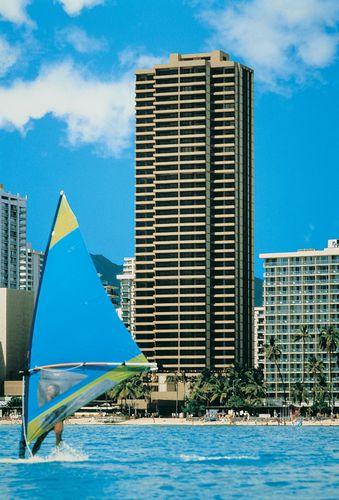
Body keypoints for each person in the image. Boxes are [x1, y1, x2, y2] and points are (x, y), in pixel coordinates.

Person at [19, 383, 64, 458]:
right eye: (47, 389)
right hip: (47, 421)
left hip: (57, 420)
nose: (48, 391)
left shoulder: (59, 398)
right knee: (40, 440)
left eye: (50, 389)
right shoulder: (43, 399)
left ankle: (59, 454)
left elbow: (62, 410)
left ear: (55, 391)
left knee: (58, 437)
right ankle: (32, 456)